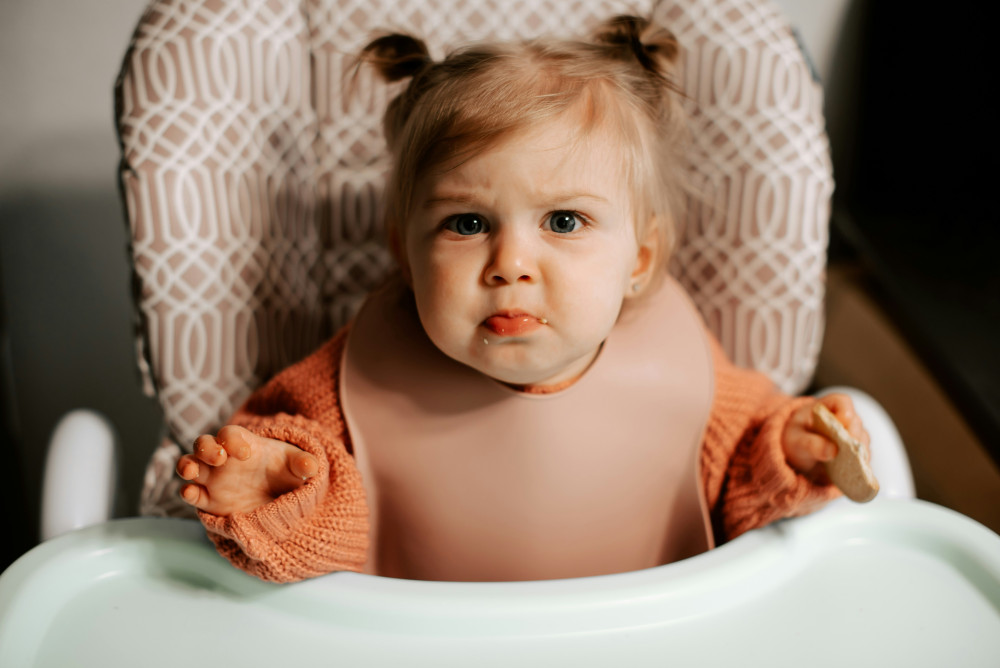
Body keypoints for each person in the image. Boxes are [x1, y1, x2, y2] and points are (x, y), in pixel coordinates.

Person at [175, 15, 868, 583]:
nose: (509, 264)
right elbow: (327, 534)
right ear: (405, 256)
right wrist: (277, 493)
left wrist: (792, 451)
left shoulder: (682, 365)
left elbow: (740, 485)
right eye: (466, 223)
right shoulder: (351, 383)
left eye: (564, 221)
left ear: (641, 258)